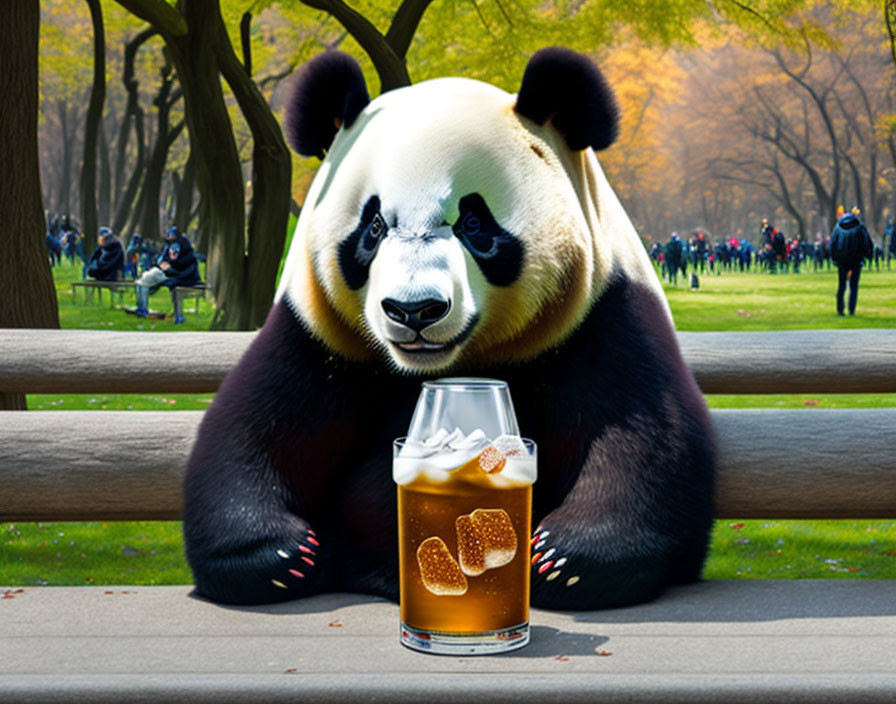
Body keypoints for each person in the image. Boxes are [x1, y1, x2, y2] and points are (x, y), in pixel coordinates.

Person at [134, 224, 201, 323]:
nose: (170, 238)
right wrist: (163, 265)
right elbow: (161, 260)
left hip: (177, 276)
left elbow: (185, 266)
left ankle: (177, 315)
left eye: (172, 235)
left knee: (147, 280)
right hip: (166, 272)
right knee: (142, 280)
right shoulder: (169, 246)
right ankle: (142, 308)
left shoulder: (185, 249)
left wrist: (171, 269)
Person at [830, 207, 874, 316]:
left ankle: (840, 309)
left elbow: (832, 244)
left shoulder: (838, 228)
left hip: (842, 260)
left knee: (841, 285)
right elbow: (866, 243)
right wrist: (868, 256)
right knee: (854, 286)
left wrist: (834, 258)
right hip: (856, 259)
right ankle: (851, 309)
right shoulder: (860, 227)